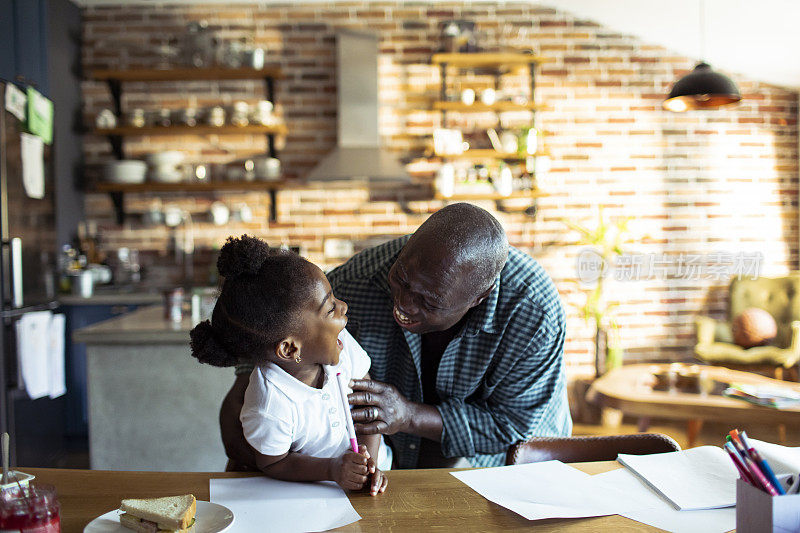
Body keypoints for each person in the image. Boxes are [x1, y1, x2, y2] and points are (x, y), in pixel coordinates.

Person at [221, 203, 571, 470]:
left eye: (428, 301)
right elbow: (262, 365)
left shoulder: (532, 312)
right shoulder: (357, 282)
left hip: (497, 473)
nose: (402, 304)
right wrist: (275, 467)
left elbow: (517, 430)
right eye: (401, 279)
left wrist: (407, 415)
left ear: (477, 298)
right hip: (390, 471)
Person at [190, 235, 388, 494]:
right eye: (330, 309)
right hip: (312, 493)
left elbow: (368, 405)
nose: (343, 307)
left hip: (373, 478)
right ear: (290, 348)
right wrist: (332, 470)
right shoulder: (269, 404)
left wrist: (369, 466)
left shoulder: (341, 344)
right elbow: (274, 462)